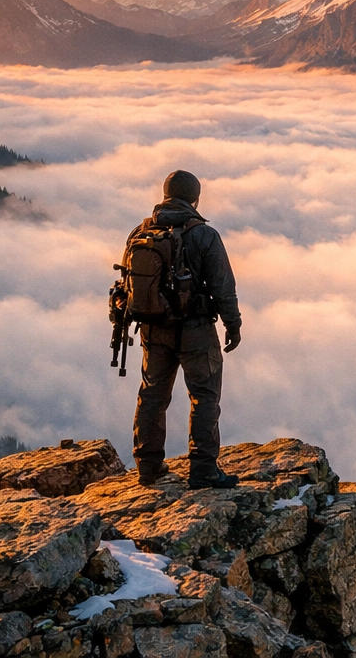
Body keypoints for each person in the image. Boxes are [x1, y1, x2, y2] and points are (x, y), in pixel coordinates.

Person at [127, 169, 242, 489]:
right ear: (195, 198)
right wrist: (233, 324)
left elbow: (128, 283)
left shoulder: (140, 231)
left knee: (152, 395)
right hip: (196, 332)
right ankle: (203, 469)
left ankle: (148, 466)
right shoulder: (205, 236)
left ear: (165, 195)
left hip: (153, 331)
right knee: (204, 397)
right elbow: (223, 287)